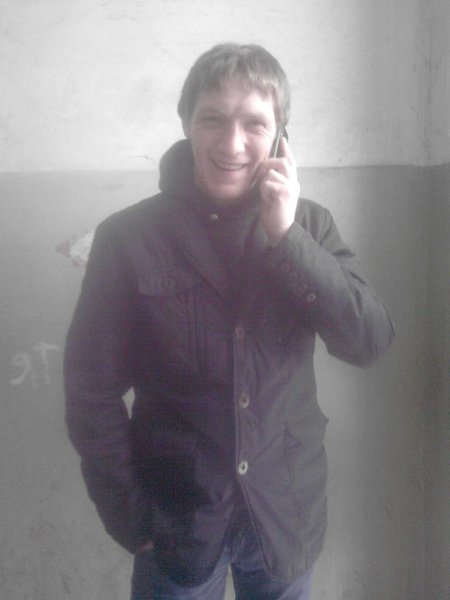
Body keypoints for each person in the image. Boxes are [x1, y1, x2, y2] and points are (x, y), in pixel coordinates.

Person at [64, 43, 395, 600]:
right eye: (213, 119)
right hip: (176, 522)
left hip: (285, 515)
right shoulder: (127, 237)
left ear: (281, 137)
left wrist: (287, 238)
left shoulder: (310, 225)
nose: (232, 143)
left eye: (254, 124)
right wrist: (131, 519)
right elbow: (90, 390)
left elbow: (370, 341)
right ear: (187, 123)